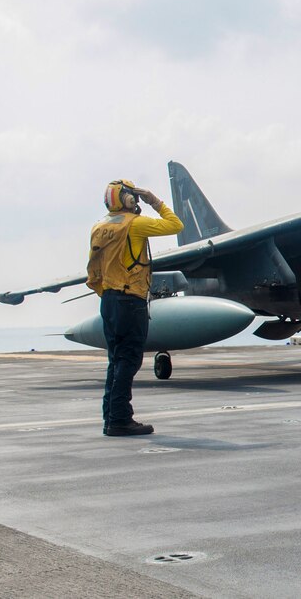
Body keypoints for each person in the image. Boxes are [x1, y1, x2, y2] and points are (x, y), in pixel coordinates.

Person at [86, 179, 183, 436]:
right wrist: (154, 201)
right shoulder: (135, 225)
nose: (136, 201)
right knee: (128, 359)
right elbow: (176, 225)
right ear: (129, 199)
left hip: (108, 301)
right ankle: (120, 419)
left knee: (115, 360)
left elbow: (93, 269)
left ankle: (110, 417)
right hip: (130, 300)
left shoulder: (99, 227)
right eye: (134, 197)